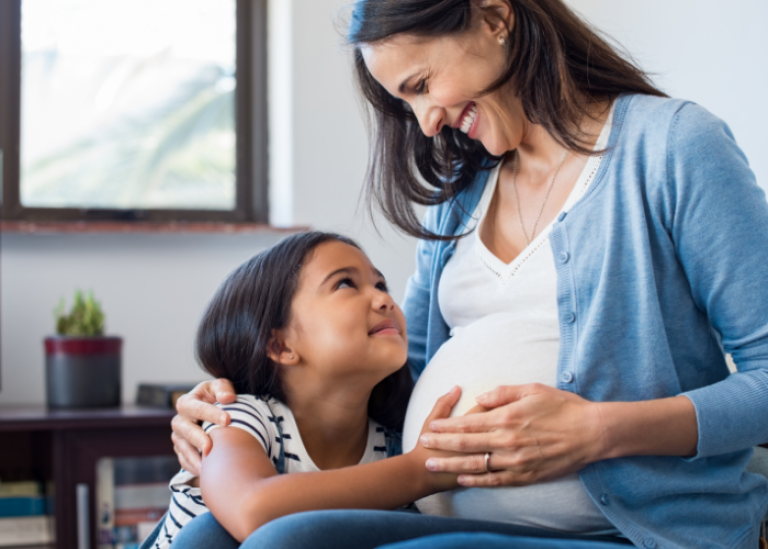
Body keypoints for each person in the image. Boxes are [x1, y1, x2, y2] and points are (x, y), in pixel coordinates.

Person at [169, 0, 768, 548]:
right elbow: (404, 380)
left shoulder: (672, 147)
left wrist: (598, 431)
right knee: (202, 539)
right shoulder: (459, 197)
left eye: (422, 84)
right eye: (406, 103)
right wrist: (234, 407)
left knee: (282, 544)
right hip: (435, 511)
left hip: (621, 530)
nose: (426, 122)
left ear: (494, 17)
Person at [146, 231, 480, 548]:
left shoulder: (392, 444)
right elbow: (251, 509)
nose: (383, 299)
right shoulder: (239, 419)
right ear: (280, 345)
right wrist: (421, 471)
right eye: (345, 283)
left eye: (381, 284)